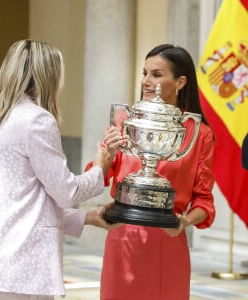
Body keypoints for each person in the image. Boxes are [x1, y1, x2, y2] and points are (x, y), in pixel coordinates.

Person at [0, 39, 118, 300]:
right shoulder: (37, 120)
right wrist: (101, 166)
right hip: (19, 267)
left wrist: (87, 218)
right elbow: (66, 192)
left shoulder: (0, 119)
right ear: (49, 77)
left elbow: (21, 203)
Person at [86, 44, 216, 300]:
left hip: (168, 238)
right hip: (123, 236)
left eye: (156, 74)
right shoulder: (126, 122)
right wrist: (106, 155)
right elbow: (94, 179)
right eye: (145, 73)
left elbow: (204, 200)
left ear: (180, 82)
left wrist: (184, 222)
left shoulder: (199, 134)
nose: (146, 81)